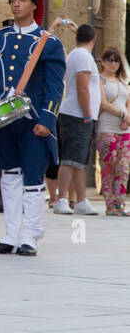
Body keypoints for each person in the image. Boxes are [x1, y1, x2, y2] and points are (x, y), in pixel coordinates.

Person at [0, 0, 66, 257]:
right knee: (9, 175)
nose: (16, 4)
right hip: (5, 122)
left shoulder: (50, 43)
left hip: (34, 122)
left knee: (32, 179)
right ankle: (10, 235)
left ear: (34, 4)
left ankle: (30, 236)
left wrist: (47, 119)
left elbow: (55, 86)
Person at [54, 23, 100, 216]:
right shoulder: (83, 56)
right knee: (70, 159)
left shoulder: (76, 54)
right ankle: (61, 199)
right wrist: (88, 113)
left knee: (79, 160)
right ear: (94, 39)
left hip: (77, 114)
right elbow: (82, 87)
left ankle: (81, 200)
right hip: (77, 114)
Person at [95, 47, 130, 217]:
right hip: (106, 128)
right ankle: (110, 205)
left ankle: (120, 205)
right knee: (108, 167)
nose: (113, 63)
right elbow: (102, 103)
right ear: (102, 62)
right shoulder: (100, 80)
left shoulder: (122, 82)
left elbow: (128, 102)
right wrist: (123, 115)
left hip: (124, 129)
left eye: (116, 60)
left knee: (123, 167)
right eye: (109, 60)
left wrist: (127, 118)